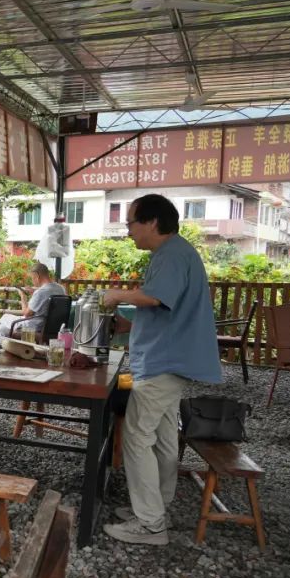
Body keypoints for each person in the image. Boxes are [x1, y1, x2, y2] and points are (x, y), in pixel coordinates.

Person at [102, 194, 222, 546]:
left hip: (163, 362)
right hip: (172, 359)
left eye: (131, 223)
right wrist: (128, 325)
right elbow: (163, 307)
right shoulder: (175, 253)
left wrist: (115, 295)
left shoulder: (170, 253)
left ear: (152, 223)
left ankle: (151, 524)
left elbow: (154, 297)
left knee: (138, 437)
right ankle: (157, 507)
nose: (128, 232)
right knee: (165, 440)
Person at [0, 262, 66, 340]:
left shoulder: (41, 292)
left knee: (4, 318)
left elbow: (26, 314)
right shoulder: (61, 288)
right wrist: (34, 293)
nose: (32, 281)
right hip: (52, 326)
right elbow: (46, 300)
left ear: (36, 276)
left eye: (32, 278)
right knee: (3, 328)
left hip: (34, 326)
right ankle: (2, 344)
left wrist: (23, 297)